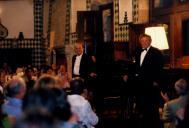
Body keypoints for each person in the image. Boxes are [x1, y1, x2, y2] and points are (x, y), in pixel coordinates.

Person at [134, 33, 164, 128]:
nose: (144, 42)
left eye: (146, 41)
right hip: (140, 84)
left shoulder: (157, 52)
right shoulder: (138, 51)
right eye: (142, 41)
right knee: (142, 106)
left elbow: (159, 68)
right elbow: (137, 67)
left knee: (152, 108)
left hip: (151, 84)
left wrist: (156, 81)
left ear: (150, 41)